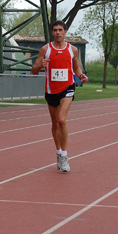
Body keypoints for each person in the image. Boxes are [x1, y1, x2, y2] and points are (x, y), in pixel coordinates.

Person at [31, 20, 88, 173]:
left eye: (60, 30)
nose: (57, 32)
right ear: (52, 32)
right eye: (55, 30)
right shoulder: (45, 49)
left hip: (68, 88)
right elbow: (33, 70)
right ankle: (58, 152)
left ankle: (64, 155)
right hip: (51, 90)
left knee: (62, 119)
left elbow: (75, 66)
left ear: (65, 31)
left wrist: (81, 75)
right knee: (55, 123)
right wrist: (40, 64)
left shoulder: (72, 50)